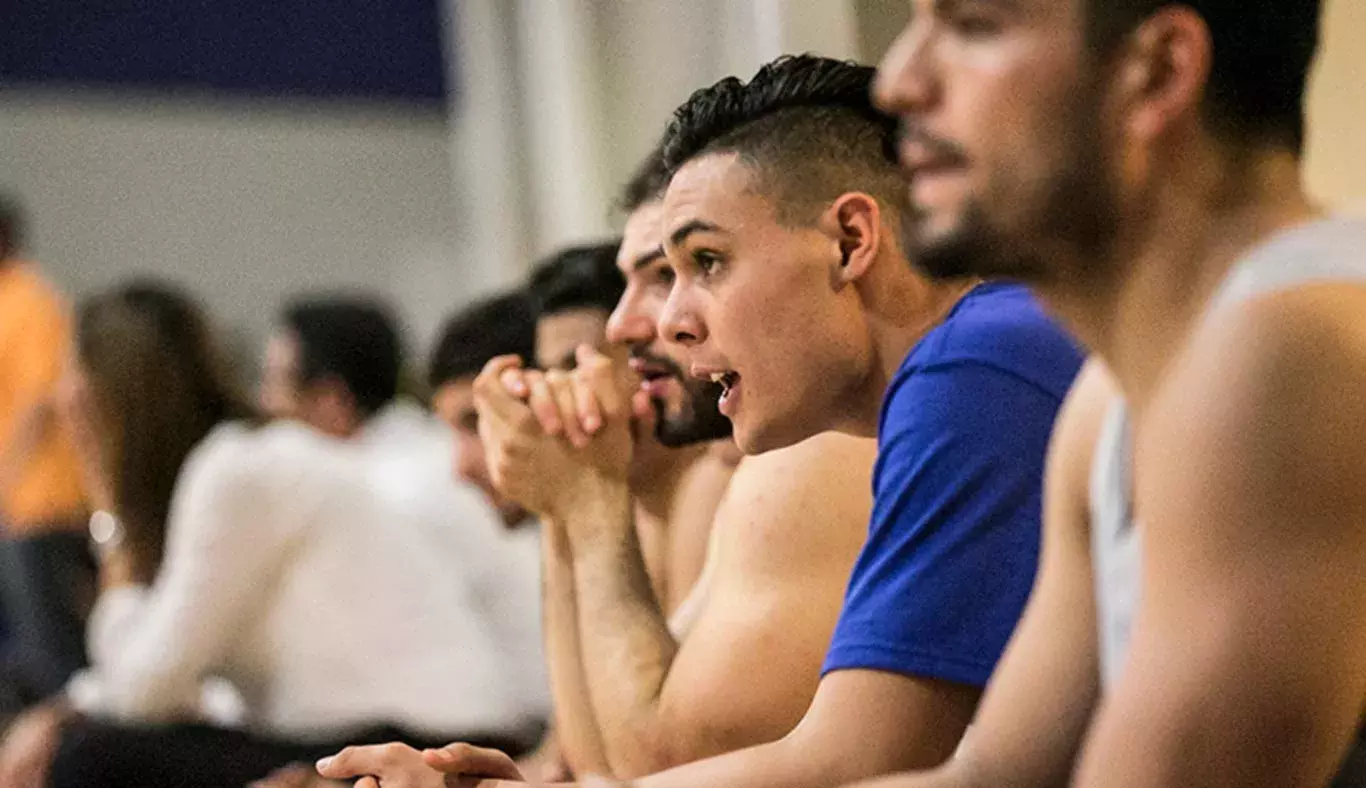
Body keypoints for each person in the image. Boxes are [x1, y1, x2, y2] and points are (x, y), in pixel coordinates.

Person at [318, 54, 1083, 788]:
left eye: (706, 263)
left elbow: (841, 763)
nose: (667, 324)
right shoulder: (969, 363)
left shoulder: (968, 371)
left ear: (851, 240)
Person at [852, 1, 1366, 786]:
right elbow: (989, 777)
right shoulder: (1107, 402)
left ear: (1157, 73)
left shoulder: (1294, 350)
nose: (897, 83)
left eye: (973, 28)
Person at [314, 145, 879, 787]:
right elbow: (594, 762)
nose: (640, 323)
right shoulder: (735, 474)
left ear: (851, 243)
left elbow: (648, 762)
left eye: (695, 267)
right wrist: (565, 499)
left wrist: (579, 499)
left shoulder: (757, 472)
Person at [0, 290, 548, 788]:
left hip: (432, 736)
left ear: (106, 400)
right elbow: (164, 668)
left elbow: (149, 689)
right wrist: (66, 708)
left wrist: (109, 507)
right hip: (386, 723)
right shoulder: (234, 462)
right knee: (88, 746)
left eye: (70, 383)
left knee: (91, 758)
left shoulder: (236, 470)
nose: (56, 405)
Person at [0, 195, 90, 711]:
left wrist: (7, 476)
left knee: (50, 644)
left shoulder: (32, 301)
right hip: (21, 503)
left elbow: (39, 400)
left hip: (43, 504)